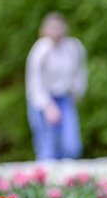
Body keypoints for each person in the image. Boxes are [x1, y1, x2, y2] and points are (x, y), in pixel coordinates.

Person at [25, 12, 88, 161]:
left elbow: (80, 73)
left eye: (59, 27)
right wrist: (47, 106)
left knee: (72, 146)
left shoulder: (74, 47)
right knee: (47, 148)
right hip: (42, 100)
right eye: (52, 28)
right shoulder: (40, 50)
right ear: (45, 30)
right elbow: (34, 82)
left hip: (65, 97)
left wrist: (77, 94)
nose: (56, 31)